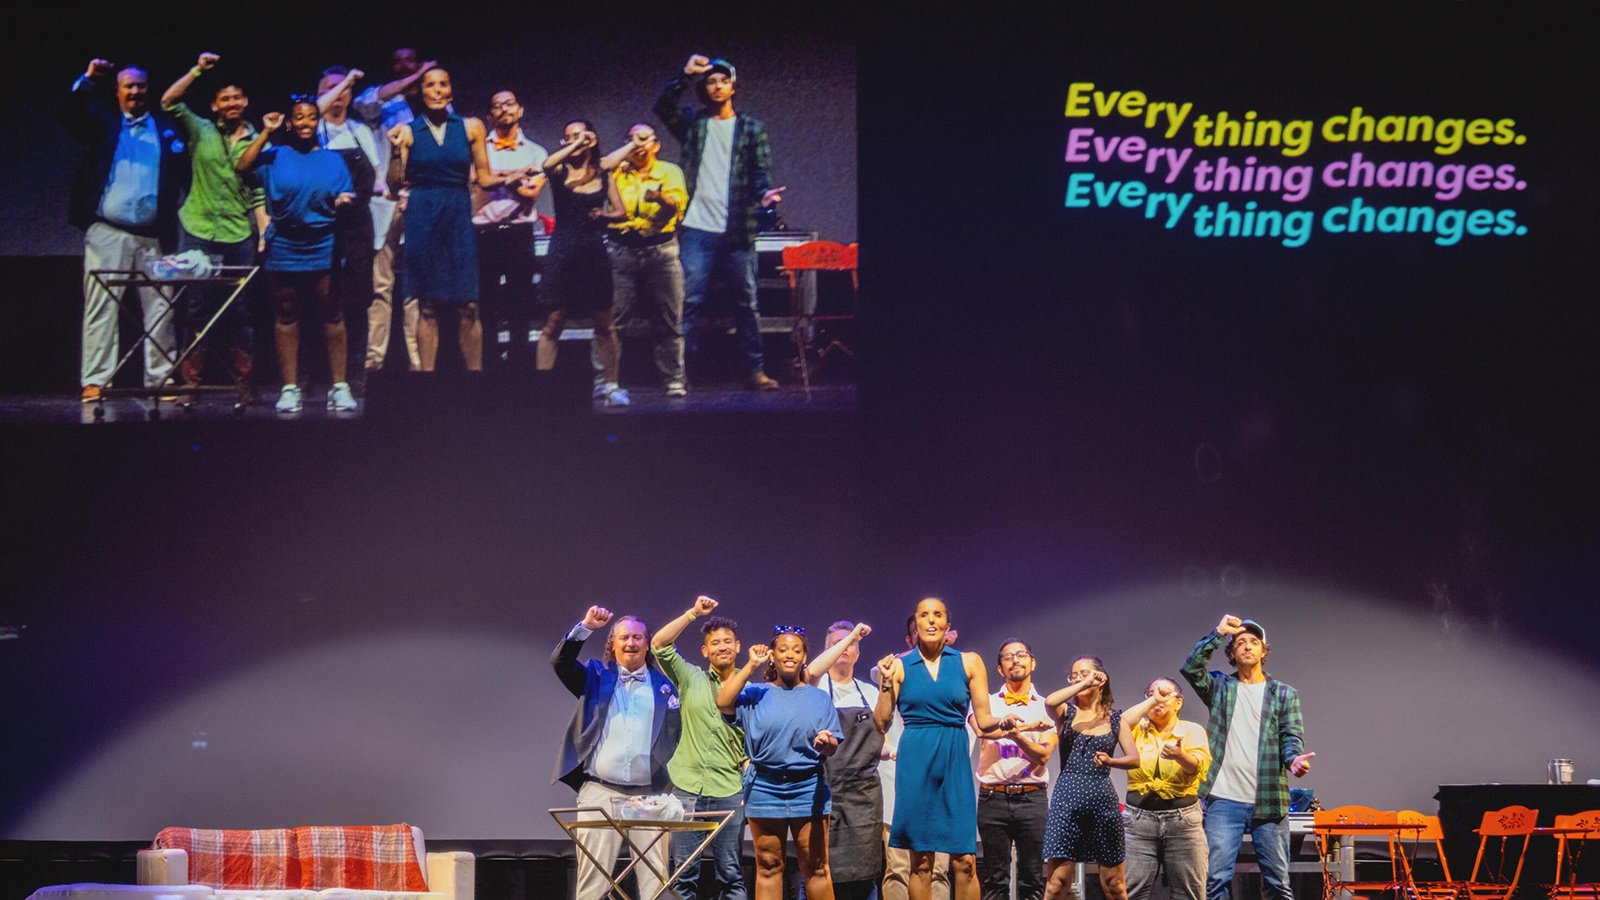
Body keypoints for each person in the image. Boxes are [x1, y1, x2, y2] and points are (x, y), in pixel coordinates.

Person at [873, 598, 1022, 900]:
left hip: (953, 759)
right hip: (916, 759)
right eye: (923, 615)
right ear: (915, 625)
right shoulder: (900, 666)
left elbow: (984, 719)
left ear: (947, 625)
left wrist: (1002, 723)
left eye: (937, 615)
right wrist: (886, 683)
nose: (930, 621)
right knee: (921, 861)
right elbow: (881, 722)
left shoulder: (968, 661)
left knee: (965, 860)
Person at [654, 54, 786, 391]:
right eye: (710, 81)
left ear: (733, 86)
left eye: (722, 80)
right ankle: (681, 372)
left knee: (748, 302)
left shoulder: (751, 127)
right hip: (698, 228)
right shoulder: (695, 124)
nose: (716, 86)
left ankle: (754, 370)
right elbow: (663, 107)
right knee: (690, 301)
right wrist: (685, 76)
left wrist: (764, 196)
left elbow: (760, 172)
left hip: (738, 229)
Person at [62, 59, 188, 401]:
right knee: (102, 307)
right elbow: (70, 114)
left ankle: (160, 378)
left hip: (154, 233)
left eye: (140, 86)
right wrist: (87, 79)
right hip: (109, 231)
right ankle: (96, 381)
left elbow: (183, 174)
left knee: (161, 306)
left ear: (149, 90)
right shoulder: (103, 123)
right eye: (128, 86)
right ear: (117, 92)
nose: (135, 91)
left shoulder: (166, 127)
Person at [387, 67, 528, 372]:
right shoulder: (409, 131)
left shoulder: (471, 127)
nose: (437, 90)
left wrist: (513, 176)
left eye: (443, 85)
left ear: (450, 91)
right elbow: (395, 184)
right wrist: (395, 151)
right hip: (423, 214)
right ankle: (427, 381)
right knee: (427, 305)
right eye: (430, 85)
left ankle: (473, 381)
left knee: (469, 304)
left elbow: (485, 177)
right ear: (420, 92)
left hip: (457, 214)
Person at [552, 605, 682, 900]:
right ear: (613, 643)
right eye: (624, 637)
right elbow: (560, 662)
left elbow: (675, 735)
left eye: (637, 637)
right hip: (600, 790)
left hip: (648, 796)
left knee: (656, 881)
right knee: (593, 882)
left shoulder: (664, 687)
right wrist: (585, 627)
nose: (631, 643)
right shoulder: (597, 676)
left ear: (647, 644)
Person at [235, 99, 356, 412]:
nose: (306, 123)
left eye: (312, 118)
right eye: (299, 118)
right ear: (289, 123)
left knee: (332, 312)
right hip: (285, 243)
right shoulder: (275, 155)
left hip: (324, 242)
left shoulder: (332, 160)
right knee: (286, 312)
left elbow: (348, 191)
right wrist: (265, 131)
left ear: (318, 122)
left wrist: (345, 199)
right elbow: (242, 166)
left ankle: (339, 386)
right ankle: (289, 388)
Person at [1180, 615, 1313, 900]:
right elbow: (1190, 668)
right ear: (1231, 653)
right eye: (1240, 642)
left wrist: (1294, 760)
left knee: (1277, 883)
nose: (1247, 647)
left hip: (1269, 798)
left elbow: (1290, 736)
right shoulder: (1220, 688)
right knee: (1215, 881)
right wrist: (1218, 633)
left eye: (1254, 642)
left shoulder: (1284, 694)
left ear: (1264, 651)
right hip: (1223, 799)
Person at [159, 51, 266, 402]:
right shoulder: (200, 129)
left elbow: (258, 192)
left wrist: (263, 232)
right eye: (225, 99)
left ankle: (244, 383)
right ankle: (191, 384)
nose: (232, 103)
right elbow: (169, 101)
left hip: (238, 233)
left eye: (237, 97)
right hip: (199, 229)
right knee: (197, 308)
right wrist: (197, 70)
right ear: (215, 105)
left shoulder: (259, 139)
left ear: (245, 101)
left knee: (242, 310)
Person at [716, 626, 844, 900]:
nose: (790, 655)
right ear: (772, 656)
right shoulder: (756, 694)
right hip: (765, 787)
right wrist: (751, 664)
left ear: (805, 657)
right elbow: (723, 701)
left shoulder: (818, 697)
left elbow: (833, 746)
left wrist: (826, 742)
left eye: (797, 650)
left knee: (816, 866)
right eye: (783, 650)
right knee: (769, 864)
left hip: (808, 787)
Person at [649, 596, 750, 900]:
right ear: (705, 650)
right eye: (715, 642)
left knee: (731, 875)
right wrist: (693, 613)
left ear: (737, 647)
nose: (722, 646)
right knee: (683, 874)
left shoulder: (750, 688)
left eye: (727, 641)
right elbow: (659, 644)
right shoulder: (690, 677)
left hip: (729, 789)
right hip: (687, 787)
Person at [352, 47, 434, 373]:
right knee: (380, 286)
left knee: (416, 287)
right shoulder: (381, 100)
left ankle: (418, 363)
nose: (402, 65)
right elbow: (364, 102)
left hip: (421, 202)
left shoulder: (437, 106)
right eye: (397, 61)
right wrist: (418, 74)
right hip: (386, 203)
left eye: (409, 61)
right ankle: (374, 364)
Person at [1093, 679, 1210, 900]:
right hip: (1138, 823)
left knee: (1189, 894)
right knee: (1131, 893)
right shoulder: (1138, 729)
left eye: (1166, 693)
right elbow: (1120, 722)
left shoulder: (1191, 730)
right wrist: (1154, 699)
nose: (1158, 698)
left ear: (1178, 702)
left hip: (1183, 823)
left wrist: (1180, 755)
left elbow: (1198, 767)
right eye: (1151, 694)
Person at [538, 120, 626, 406]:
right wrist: (575, 145)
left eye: (579, 135)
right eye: (568, 137)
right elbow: (546, 164)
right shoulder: (561, 171)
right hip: (564, 250)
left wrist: (604, 216)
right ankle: (544, 387)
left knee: (605, 323)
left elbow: (621, 211)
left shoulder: (603, 173)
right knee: (554, 321)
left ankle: (611, 385)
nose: (573, 140)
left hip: (592, 251)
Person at [599, 125, 688, 397]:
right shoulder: (616, 171)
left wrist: (659, 197)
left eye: (643, 139)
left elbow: (677, 204)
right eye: (631, 139)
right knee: (613, 321)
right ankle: (605, 381)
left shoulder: (669, 171)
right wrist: (627, 150)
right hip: (621, 250)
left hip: (660, 250)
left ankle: (674, 380)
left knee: (669, 321)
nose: (637, 144)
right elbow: (599, 167)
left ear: (656, 144)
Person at [970, 640, 1058, 900]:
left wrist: (1016, 733)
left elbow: (1042, 755)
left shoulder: (1047, 706)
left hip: (1032, 798)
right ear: (999, 668)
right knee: (995, 880)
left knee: (1032, 880)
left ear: (1032, 662)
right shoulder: (985, 703)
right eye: (1008, 657)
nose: (1015, 660)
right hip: (992, 797)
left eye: (1021, 655)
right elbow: (982, 728)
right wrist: (1031, 728)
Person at [879, 616, 956, 900]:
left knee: (938, 869)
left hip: (940, 782)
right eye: (917, 630)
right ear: (909, 640)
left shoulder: (954, 675)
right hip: (900, 783)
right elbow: (880, 724)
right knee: (899, 867)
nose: (927, 631)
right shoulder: (895, 671)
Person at [314, 67, 381, 392]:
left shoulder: (360, 131)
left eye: (344, 89)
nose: (339, 93)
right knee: (321, 297)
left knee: (358, 299)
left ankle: (356, 371)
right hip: (321, 223)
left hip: (356, 223)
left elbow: (377, 178)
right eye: (331, 87)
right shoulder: (310, 127)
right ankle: (316, 373)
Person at [1040, 657, 1130, 900]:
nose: (1078, 678)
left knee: (1115, 885)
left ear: (1101, 679)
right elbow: (1050, 701)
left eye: (1084, 673)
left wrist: (1112, 762)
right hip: (1067, 799)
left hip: (1102, 800)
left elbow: (1134, 758)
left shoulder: (1115, 718)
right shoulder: (1066, 713)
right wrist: (1084, 683)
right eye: (1074, 675)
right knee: (1057, 883)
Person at [809, 620, 886, 900]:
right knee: (821, 867)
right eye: (836, 644)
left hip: (863, 796)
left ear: (857, 653)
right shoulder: (815, 689)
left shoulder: (870, 692)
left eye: (851, 643)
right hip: (825, 789)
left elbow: (881, 743)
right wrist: (852, 635)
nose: (844, 648)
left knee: (865, 874)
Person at [474, 90, 547, 369]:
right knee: (486, 302)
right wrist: (516, 174)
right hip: (484, 233)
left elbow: (531, 193)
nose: (504, 109)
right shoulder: (480, 150)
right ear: (489, 115)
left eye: (509, 104)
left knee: (521, 301)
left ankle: (519, 362)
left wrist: (494, 179)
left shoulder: (536, 152)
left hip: (518, 232)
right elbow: (475, 182)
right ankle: (488, 361)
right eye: (497, 106)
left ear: (520, 110)